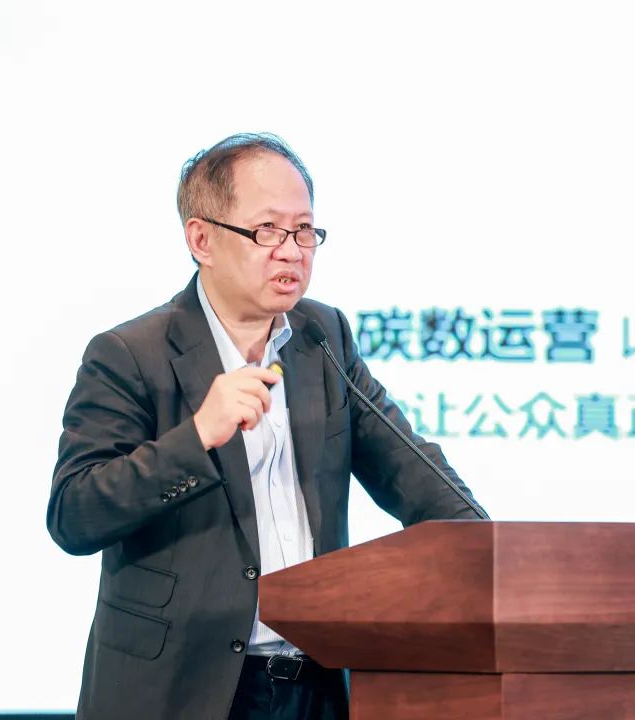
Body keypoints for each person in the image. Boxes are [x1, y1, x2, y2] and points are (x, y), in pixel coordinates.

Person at [47, 133, 485, 720]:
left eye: (304, 231)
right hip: (185, 689)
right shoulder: (130, 353)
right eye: (268, 231)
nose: (292, 251)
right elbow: (74, 514)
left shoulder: (322, 338)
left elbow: (412, 471)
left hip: (315, 684)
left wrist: (490, 549)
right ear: (201, 239)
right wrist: (197, 438)